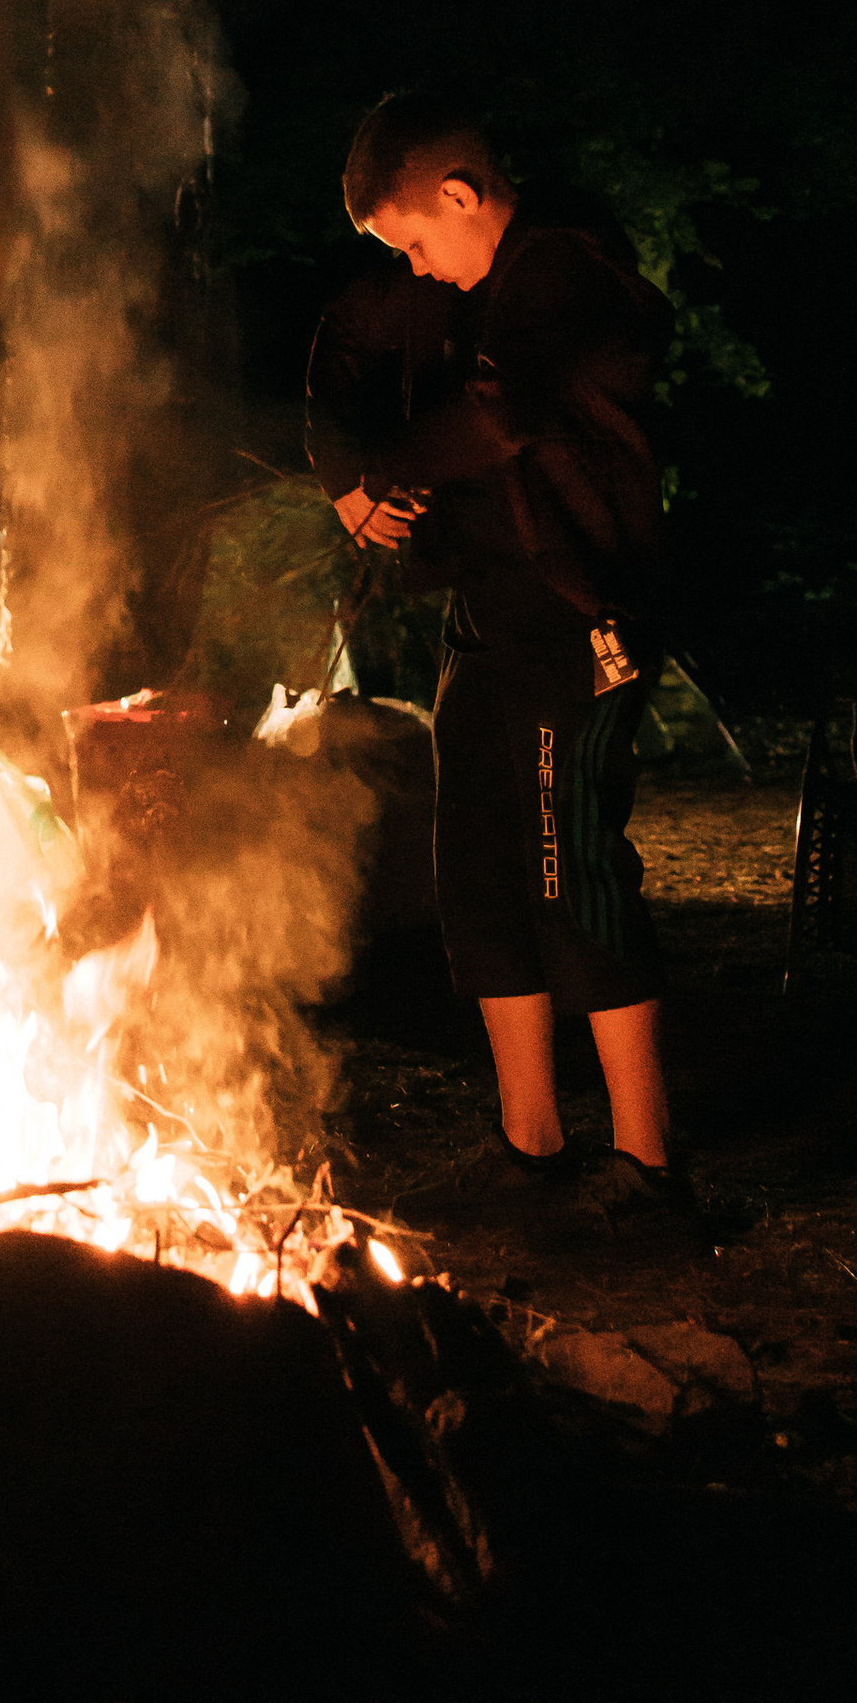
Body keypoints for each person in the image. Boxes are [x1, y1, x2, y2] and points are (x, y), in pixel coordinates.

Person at [307, 89, 694, 1242]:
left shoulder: (568, 277)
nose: (416, 272)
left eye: (417, 241)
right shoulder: (467, 284)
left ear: (462, 196)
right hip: (486, 614)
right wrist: (343, 471)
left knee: (571, 875)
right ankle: (531, 1144)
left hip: (578, 624)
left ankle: (650, 1167)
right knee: (472, 873)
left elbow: (496, 417)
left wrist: (388, 472)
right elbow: (349, 333)